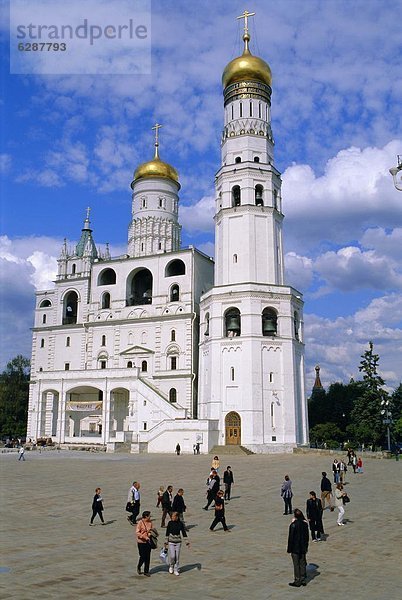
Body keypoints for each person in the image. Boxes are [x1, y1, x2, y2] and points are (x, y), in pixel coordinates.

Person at [287, 509, 309, 587]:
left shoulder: (293, 525)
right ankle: (303, 579)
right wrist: (306, 546)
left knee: (296, 564)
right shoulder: (305, 524)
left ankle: (297, 580)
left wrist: (289, 549)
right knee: (302, 563)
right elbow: (307, 537)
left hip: (295, 547)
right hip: (303, 547)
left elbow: (291, 538)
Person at [165, 511, 190, 575]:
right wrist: (166, 541)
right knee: (173, 556)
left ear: (177, 517)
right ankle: (171, 566)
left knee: (177, 556)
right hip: (171, 541)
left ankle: (176, 569)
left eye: (173, 516)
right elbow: (167, 532)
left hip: (178, 542)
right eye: (172, 516)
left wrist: (187, 542)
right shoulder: (170, 523)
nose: (172, 517)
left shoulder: (180, 524)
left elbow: (183, 532)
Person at [136, 511, 154, 577]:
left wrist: (149, 534)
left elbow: (151, 530)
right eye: (149, 516)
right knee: (142, 556)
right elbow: (137, 533)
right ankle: (139, 566)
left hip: (148, 542)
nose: (150, 517)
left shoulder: (150, 523)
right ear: (146, 516)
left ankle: (146, 571)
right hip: (141, 542)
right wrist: (144, 537)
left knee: (148, 557)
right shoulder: (140, 523)